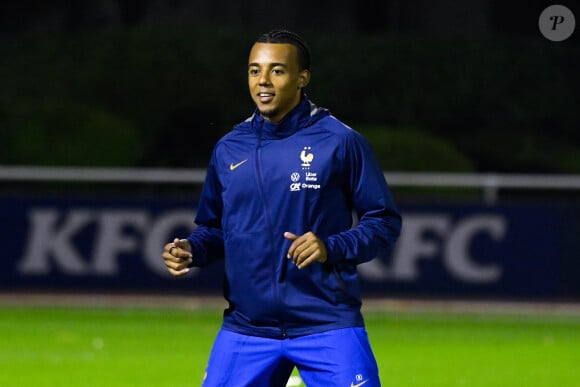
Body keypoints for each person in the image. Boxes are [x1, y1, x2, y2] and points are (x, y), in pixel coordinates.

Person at [162, 29, 402, 387]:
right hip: (247, 328)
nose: (263, 81)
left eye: (277, 70)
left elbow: (383, 222)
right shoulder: (230, 147)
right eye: (254, 70)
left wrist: (329, 246)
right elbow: (214, 228)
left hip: (326, 323)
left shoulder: (341, 142)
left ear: (302, 78)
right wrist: (192, 250)